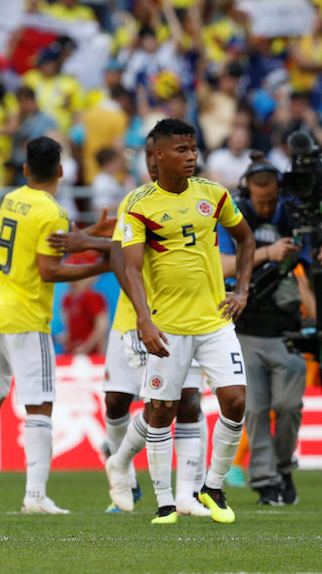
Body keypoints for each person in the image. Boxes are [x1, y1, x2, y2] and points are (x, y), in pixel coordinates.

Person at [0, 136, 109, 515]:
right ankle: (35, 496)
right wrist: (102, 263)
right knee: (39, 405)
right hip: (24, 318)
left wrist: (91, 236)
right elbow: (48, 267)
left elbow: (39, 244)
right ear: (62, 171)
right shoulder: (51, 210)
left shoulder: (12, 199)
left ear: (24, 169)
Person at [54, 134, 210, 517]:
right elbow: (124, 255)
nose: (154, 163)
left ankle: (187, 490)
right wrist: (93, 238)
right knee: (117, 401)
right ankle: (126, 481)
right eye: (149, 156)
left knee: (183, 402)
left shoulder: (202, 202)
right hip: (133, 319)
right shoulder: (136, 200)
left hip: (184, 319)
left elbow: (128, 251)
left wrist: (85, 241)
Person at [116, 118, 254, 524]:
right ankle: (164, 504)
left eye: (193, 149)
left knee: (236, 401)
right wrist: (144, 319)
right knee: (162, 410)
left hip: (214, 321)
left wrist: (242, 289)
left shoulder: (214, 194)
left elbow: (246, 238)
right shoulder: (139, 204)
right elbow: (131, 268)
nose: (191, 156)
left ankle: (212, 487)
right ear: (158, 154)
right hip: (168, 327)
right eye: (181, 149)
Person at [229, 154, 307, 506]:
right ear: (248, 194)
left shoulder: (294, 213)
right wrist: (268, 253)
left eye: (271, 200)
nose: (266, 206)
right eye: (260, 201)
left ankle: (283, 467)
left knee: (289, 406)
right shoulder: (233, 212)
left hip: (287, 329)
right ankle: (265, 482)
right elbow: (220, 264)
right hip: (245, 328)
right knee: (256, 409)